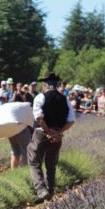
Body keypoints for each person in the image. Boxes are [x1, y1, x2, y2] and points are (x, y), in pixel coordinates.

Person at [28, 72, 75, 201]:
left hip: (41, 133)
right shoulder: (65, 99)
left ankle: (41, 190)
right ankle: (51, 191)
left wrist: (48, 131)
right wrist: (58, 132)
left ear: (45, 84)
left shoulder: (40, 97)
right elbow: (71, 120)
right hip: (57, 135)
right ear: (57, 84)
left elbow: (39, 117)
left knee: (34, 161)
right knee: (51, 164)